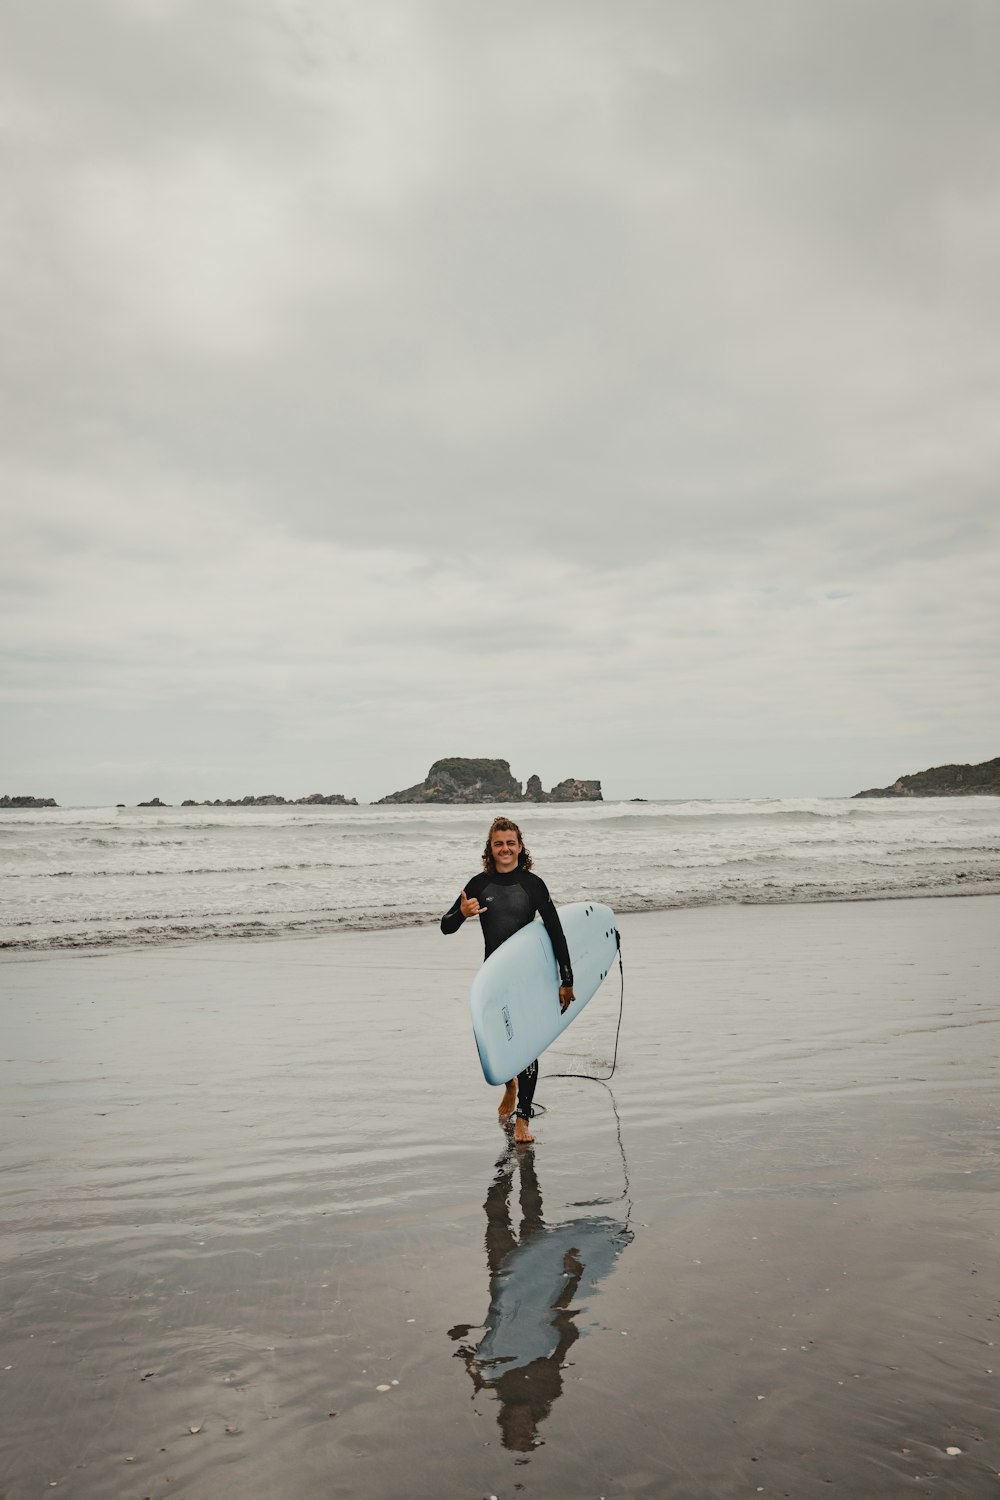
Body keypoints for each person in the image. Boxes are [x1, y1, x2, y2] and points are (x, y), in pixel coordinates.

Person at [441, 815, 575, 1144]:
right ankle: (510, 1085)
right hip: (495, 977)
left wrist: (566, 978)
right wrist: (463, 913)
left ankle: (524, 1118)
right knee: (499, 1041)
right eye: (498, 843)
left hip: (528, 978)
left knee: (527, 1047)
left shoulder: (533, 884)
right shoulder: (477, 885)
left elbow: (556, 931)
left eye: (510, 843)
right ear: (490, 847)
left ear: (520, 846)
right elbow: (446, 925)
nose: (505, 848)